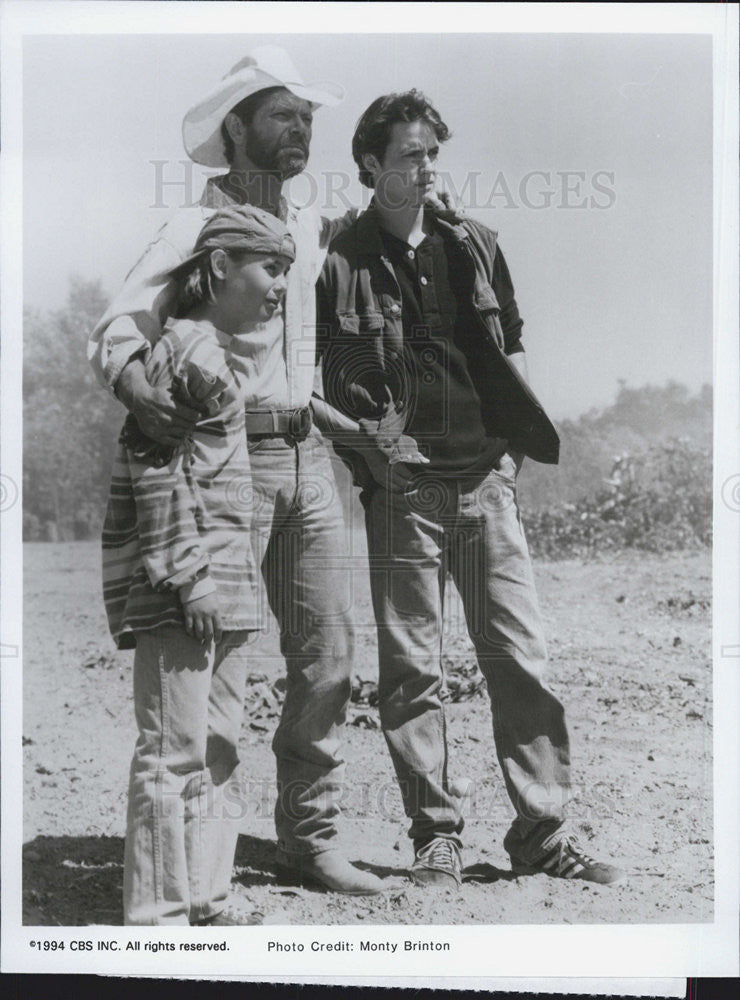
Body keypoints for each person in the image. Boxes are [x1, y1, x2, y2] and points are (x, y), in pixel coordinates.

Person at [90, 46, 386, 897]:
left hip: (310, 458)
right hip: (229, 466)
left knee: (329, 660)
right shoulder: (196, 229)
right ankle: (195, 875)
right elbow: (118, 325)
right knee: (216, 672)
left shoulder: (308, 225)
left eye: (308, 119)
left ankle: (312, 838)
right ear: (238, 127)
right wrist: (141, 388)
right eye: (285, 116)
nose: (302, 132)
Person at [316, 90, 624, 888]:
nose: (426, 169)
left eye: (432, 154)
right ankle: (435, 836)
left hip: (485, 481)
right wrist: (373, 463)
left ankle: (544, 832)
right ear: (370, 165)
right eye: (411, 155)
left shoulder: (476, 246)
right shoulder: (336, 261)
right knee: (411, 671)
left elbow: (512, 342)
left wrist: (511, 454)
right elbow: (313, 381)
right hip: (402, 493)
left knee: (520, 660)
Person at [104, 204, 298, 924]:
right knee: (172, 751)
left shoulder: (215, 350)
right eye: (271, 268)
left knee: (219, 744)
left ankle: (209, 899)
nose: (280, 287)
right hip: (181, 586)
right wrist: (189, 576)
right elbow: (155, 471)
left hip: (229, 586)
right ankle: (156, 919)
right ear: (219, 267)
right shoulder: (182, 348)